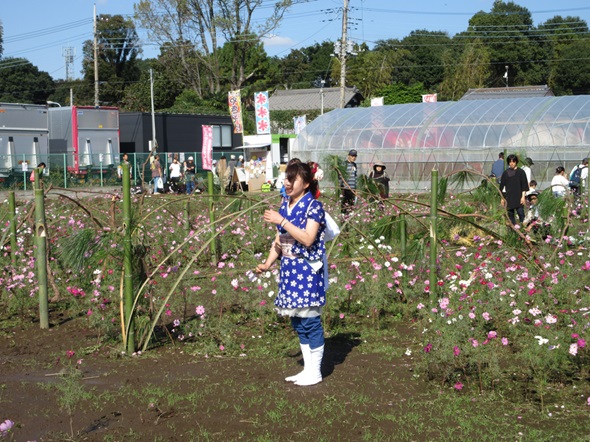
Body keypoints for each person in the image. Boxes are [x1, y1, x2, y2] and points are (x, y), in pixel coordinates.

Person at [255, 159, 327, 387]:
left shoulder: (313, 207)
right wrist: (267, 264)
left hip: (306, 269)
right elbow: (279, 240)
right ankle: (308, 370)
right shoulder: (285, 204)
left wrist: (282, 221)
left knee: (310, 320)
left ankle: (315, 372)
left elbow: (308, 238)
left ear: (305, 183)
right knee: (298, 320)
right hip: (289, 269)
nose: (286, 183)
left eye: (292, 179)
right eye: (286, 178)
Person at [500, 154, 529, 225]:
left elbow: (524, 186)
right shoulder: (506, 173)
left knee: (521, 213)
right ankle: (514, 230)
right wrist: (502, 198)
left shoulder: (521, 172)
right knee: (510, 216)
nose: (511, 163)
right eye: (510, 162)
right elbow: (502, 187)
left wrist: (523, 197)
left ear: (516, 162)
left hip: (519, 197)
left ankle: (523, 229)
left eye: (513, 161)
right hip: (509, 198)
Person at [339, 149, 358, 215]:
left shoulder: (354, 165)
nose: (354, 157)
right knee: (344, 205)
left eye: (355, 156)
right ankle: (343, 219)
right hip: (346, 188)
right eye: (352, 156)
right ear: (348, 156)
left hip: (353, 189)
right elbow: (340, 176)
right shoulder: (344, 164)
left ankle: (349, 219)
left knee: (351, 205)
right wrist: (341, 186)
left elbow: (355, 177)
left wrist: (356, 188)